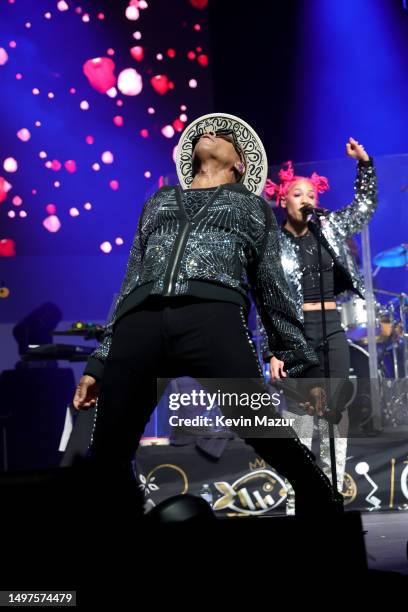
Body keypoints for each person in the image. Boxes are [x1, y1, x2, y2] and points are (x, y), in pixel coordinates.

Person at [73, 112, 342, 514]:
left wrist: (301, 367)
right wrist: (99, 361)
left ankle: (322, 503)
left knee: (261, 427)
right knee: (109, 447)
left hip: (212, 318)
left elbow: (273, 289)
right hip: (140, 323)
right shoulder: (160, 200)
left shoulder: (252, 207)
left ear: (240, 163)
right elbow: (130, 281)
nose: (209, 132)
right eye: (206, 132)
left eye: (224, 135)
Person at [263, 137, 378, 513]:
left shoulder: (328, 226)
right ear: (283, 199)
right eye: (298, 193)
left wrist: (364, 164)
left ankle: (331, 492)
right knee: (299, 414)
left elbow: (363, 207)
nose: (306, 199)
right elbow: (266, 300)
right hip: (295, 334)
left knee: (334, 408)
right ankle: (301, 495)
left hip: (332, 329)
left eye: (311, 193)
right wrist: (272, 349)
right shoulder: (270, 243)